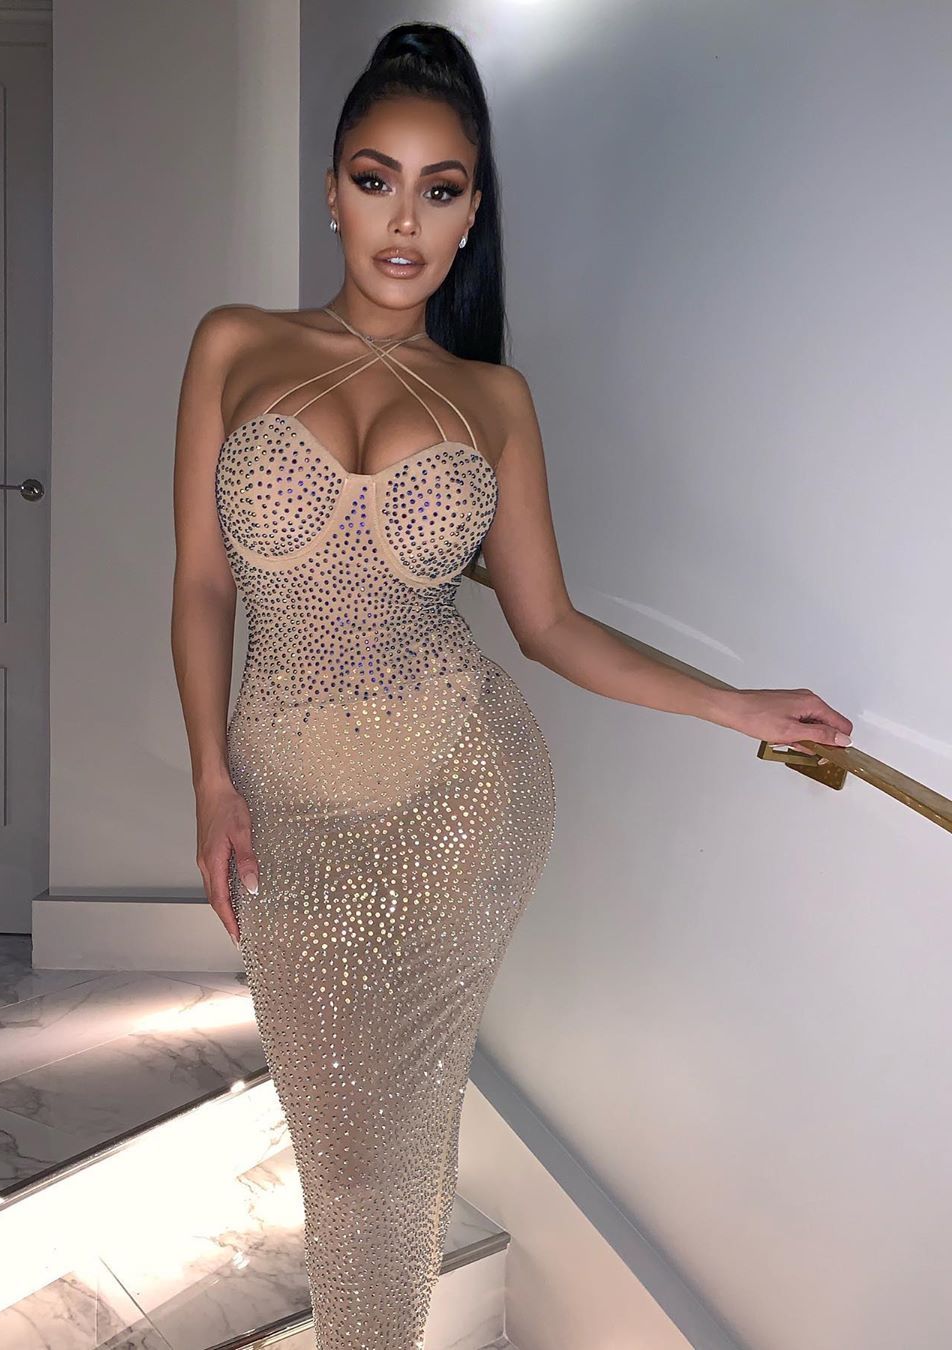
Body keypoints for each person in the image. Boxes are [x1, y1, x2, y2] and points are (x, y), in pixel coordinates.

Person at [170, 21, 853, 1350]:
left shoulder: (494, 398)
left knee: (396, 1140)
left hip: (460, 796)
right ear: (331, 190)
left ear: (474, 213)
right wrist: (209, 777)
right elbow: (202, 584)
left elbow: (549, 626)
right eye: (376, 179)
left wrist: (736, 705)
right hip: (285, 801)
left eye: (441, 189)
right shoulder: (233, 344)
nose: (404, 220)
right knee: (343, 1143)